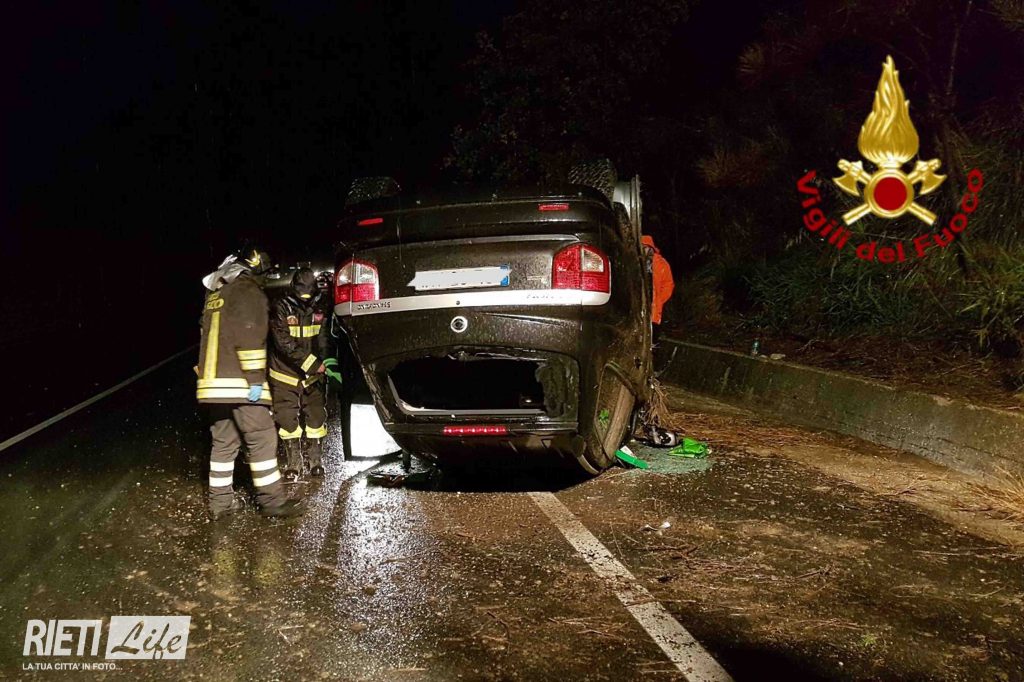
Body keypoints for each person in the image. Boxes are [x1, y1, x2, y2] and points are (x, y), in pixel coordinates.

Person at [198, 248, 304, 520]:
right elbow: (250, 335)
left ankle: (220, 506)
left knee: (223, 443)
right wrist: (256, 380)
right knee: (262, 437)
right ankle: (272, 503)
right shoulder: (247, 291)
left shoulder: (215, 294)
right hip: (240, 385)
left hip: (212, 387)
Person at [269, 267, 330, 480]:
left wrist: (328, 364)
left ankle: (316, 461)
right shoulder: (281, 308)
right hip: (285, 374)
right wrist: (312, 363)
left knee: (316, 419)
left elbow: (324, 339)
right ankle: (293, 464)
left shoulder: (320, 306)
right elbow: (284, 343)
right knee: (287, 421)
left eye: (309, 295)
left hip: (313, 376)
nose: (305, 299)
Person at [642, 235, 675, 342]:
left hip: (654, 308)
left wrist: (659, 300)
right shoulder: (635, 262)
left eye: (645, 247)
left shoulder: (661, 264)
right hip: (639, 307)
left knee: (653, 338)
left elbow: (668, 284)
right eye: (641, 247)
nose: (643, 250)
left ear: (651, 248)